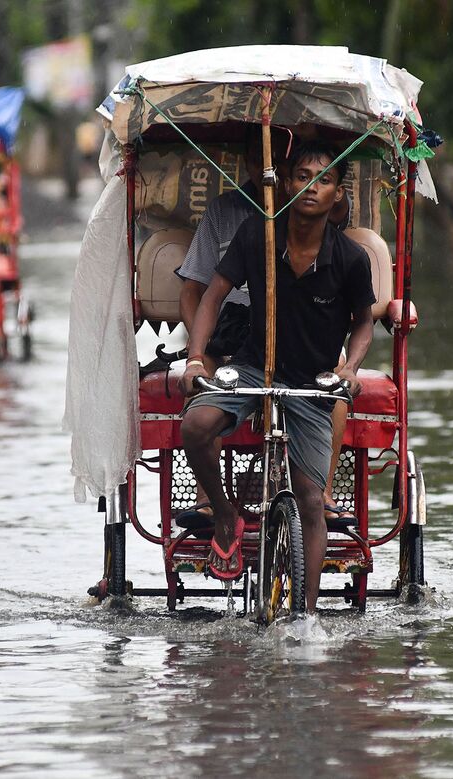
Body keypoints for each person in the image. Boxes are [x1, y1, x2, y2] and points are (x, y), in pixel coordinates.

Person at [180, 141, 376, 613]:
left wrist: (349, 368)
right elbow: (211, 295)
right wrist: (195, 357)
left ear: (336, 194)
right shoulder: (258, 234)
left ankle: (306, 616)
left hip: (311, 380)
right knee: (194, 426)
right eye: (303, 176)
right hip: (253, 366)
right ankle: (227, 517)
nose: (311, 186)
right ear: (286, 183)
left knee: (311, 499)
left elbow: (364, 323)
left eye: (323, 179)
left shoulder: (351, 259)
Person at [175, 128, 352, 528]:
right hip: (236, 333)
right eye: (258, 157)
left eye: (279, 161)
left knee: (333, 381)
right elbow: (198, 291)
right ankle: (211, 501)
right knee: (208, 381)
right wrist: (197, 354)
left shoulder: (311, 210)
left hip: (304, 335)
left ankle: (320, 494)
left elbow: (339, 211)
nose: (266, 166)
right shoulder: (229, 214)